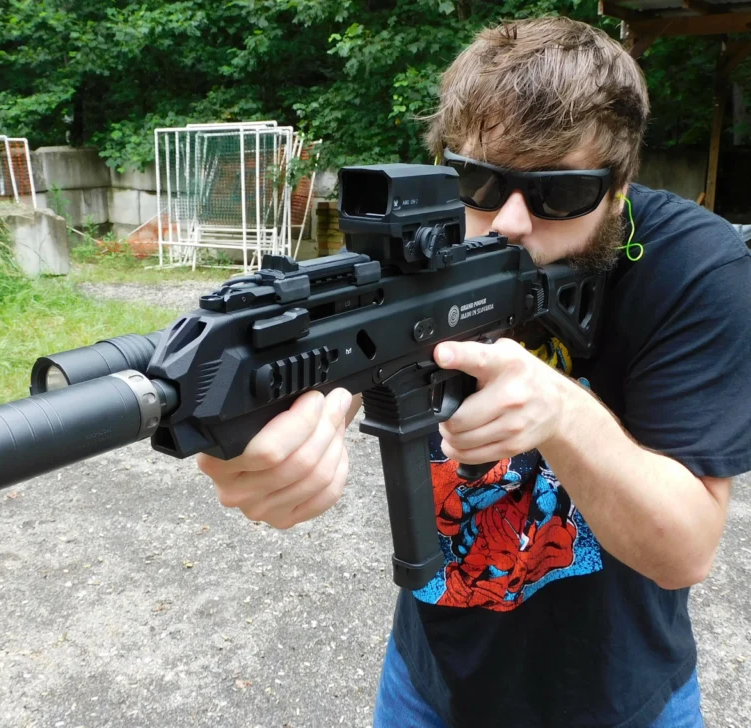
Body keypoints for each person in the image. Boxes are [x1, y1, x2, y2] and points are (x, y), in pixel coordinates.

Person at [195, 16, 751, 728]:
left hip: (624, 697)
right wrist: (281, 424)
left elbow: (686, 549)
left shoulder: (694, 266)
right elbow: (336, 349)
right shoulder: (427, 248)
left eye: (558, 192)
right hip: (430, 685)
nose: (510, 221)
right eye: (481, 182)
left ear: (618, 185)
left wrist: (563, 412)